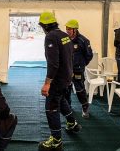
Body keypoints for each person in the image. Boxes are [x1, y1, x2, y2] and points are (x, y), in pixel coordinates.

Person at [38, 11, 81, 151]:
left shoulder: (51, 37)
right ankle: (72, 123)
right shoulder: (65, 35)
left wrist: (47, 83)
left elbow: (53, 63)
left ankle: (56, 141)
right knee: (61, 100)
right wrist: (70, 73)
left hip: (57, 79)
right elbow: (70, 56)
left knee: (51, 108)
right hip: (67, 77)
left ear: (44, 25)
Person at [64, 19, 93, 119]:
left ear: (75, 30)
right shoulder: (65, 39)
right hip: (67, 69)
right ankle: (68, 106)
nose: (67, 31)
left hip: (78, 69)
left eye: (69, 29)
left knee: (79, 89)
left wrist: (82, 64)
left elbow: (89, 55)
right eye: (66, 29)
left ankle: (85, 106)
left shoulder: (83, 40)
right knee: (66, 88)